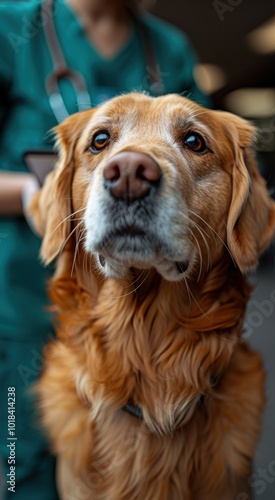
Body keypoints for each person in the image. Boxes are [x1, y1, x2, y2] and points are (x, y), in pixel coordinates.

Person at [0, 0, 209, 498]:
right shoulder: (11, 26)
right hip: (26, 304)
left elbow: (206, 171)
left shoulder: (168, 48)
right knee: (19, 462)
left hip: (141, 325)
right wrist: (38, 193)